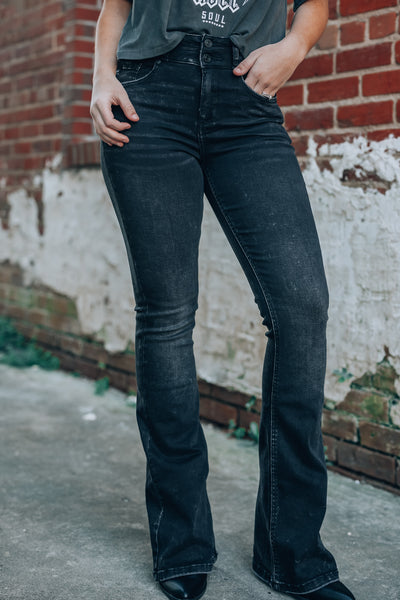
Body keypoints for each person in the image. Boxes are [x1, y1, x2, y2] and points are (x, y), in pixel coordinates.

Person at [90, 1, 357, 599]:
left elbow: (315, 3)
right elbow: (116, 5)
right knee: (167, 316)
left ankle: (292, 552)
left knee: (301, 307)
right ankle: (181, 542)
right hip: (147, 97)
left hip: (247, 101)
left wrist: (294, 48)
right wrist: (102, 77)